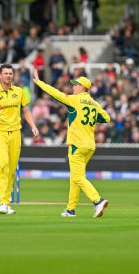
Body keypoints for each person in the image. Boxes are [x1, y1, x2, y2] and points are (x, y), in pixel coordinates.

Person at [32, 70, 110, 218]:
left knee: (78, 177)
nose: (73, 87)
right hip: (90, 146)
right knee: (76, 176)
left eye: (76, 85)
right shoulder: (94, 103)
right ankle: (70, 209)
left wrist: (40, 83)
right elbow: (106, 118)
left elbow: (56, 94)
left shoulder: (75, 100)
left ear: (83, 88)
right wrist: (93, 117)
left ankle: (98, 200)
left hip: (77, 145)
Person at [0, 64, 39, 214]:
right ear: (0, 75)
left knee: (11, 170)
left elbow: (26, 110)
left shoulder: (19, 92)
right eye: (5, 73)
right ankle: (3, 203)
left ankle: (6, 204)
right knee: (3, 166)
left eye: (10, 73)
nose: (8, 76)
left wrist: (33, 126)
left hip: (16, 134)